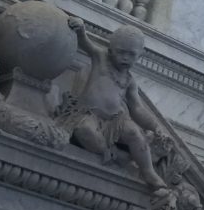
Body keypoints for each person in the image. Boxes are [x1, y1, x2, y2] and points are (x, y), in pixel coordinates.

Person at [59, 19, 167, 190]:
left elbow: (137, 108)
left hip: (115, 121)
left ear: (140, 55)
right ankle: (115, 156)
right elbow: (86, 45)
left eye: (131, 54)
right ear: (110, 50)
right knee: (84, 131)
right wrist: (80, 30)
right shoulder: (101, 58)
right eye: (121, 52)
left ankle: (148, 171)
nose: (125, 58)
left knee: (135, 133)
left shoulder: (129, 80)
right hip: (88, 114)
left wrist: (155, 126)